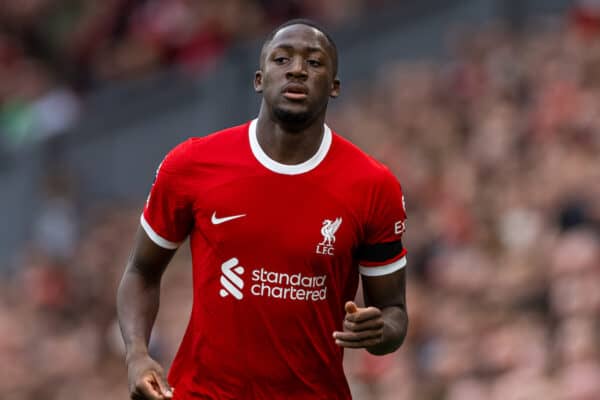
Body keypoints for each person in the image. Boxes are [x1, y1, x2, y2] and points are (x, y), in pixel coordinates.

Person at [117, 18, 409, 400]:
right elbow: (141, 270)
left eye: (315, 63)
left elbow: (394, 313)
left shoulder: (373, 185)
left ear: (334, 87)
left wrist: (380, 332)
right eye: (282, 59)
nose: (298, 70)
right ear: (259, 79)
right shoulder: (191, 164)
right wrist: (137, 354)